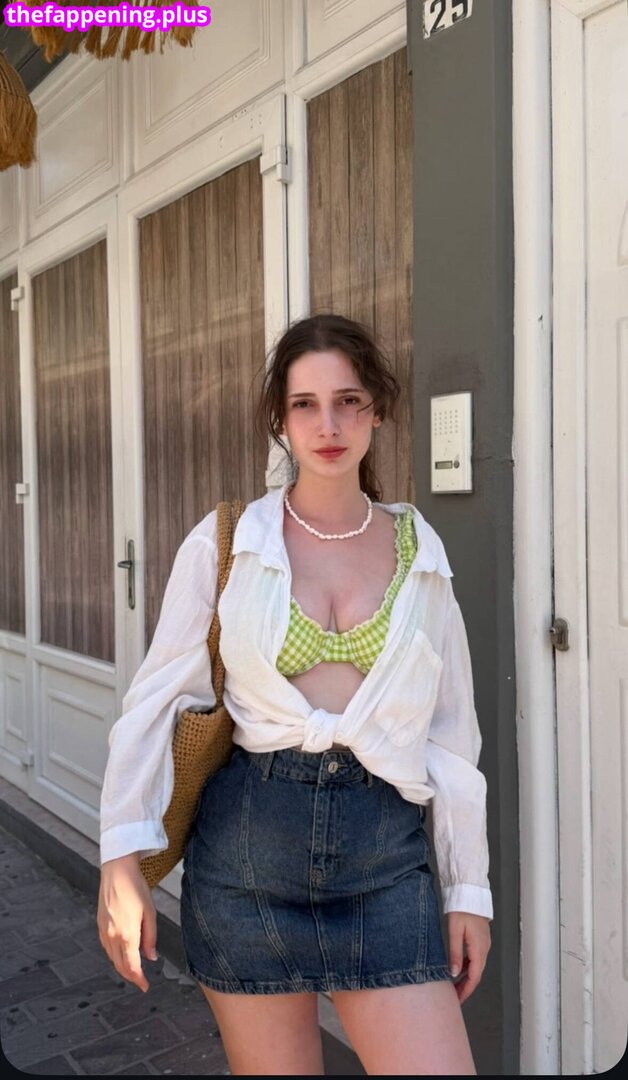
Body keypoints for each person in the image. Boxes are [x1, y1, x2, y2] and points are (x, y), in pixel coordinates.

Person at [97, 313, 492, 1076]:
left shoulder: (419, 549)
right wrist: (121, 858)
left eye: (348, 401)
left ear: (378, 409)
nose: (329, 425)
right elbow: (156, 699)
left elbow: (450, 732)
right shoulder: (229, 541)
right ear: (280, 418)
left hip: (386, 863)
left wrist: (468, 889)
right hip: (246, 863)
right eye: (305, 404)